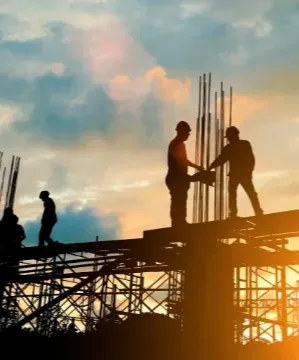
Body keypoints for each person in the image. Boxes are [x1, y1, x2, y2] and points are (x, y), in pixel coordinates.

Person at [165, 121, 215, 227]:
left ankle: (180, 221)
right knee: (178, 200)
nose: (188, 135)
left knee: (182, 199)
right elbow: (180, 160)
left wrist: (197, 168)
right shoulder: (175, 144)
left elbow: (184, 160)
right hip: (175, 178)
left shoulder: (180, 144)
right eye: (187, 133)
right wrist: (188, 176)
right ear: (181, 132)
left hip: (180, 178)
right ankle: (177, 223)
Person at [208, 126, 263, 218]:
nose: (228, 139)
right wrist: (249, 171)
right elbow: (222, 159)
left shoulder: (234, 147)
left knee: (238, 194)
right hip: (240, 174)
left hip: (239, 174)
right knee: (247, 194)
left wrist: (211, 166)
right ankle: (256, 211)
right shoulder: (243, 144)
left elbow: (221, 159)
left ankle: (236, 213)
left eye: (229, 137)